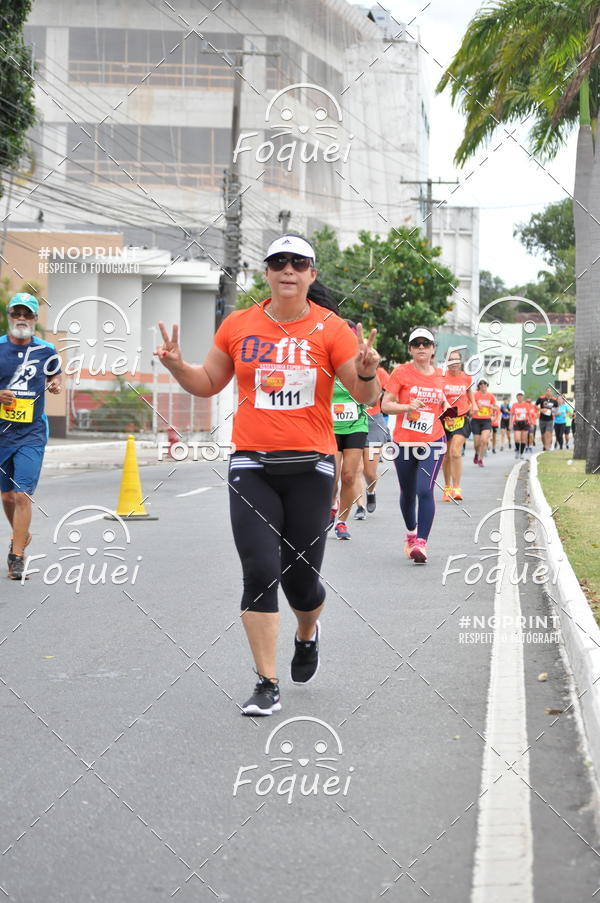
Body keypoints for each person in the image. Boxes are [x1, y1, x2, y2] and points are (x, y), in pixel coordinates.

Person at [155, 234, 381, 716]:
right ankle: (265, 682)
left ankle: (307, 631)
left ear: (312, 274)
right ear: (266, 272)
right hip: (252, 465)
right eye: (278, 261)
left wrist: (365, 371)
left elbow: (364, 398)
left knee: (302, 584)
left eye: (299, 262)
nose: (288, 270)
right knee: (260, 571)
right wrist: (177, 366)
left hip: (312, 468)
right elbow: (208, 382)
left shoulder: (332, 329)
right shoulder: (239, 325)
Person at [0, 293, 62, 580]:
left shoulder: (47, 350)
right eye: (17, 314)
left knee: (22, 494)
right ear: (9, 317)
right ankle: (21, 534)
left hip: (32, 433)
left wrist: (54, 385)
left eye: (27, 314)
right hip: (2, 434)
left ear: (35, 320)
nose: (21, 319)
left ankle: (17, 556)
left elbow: (54, 376)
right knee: (7, 497)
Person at [381, 327, 449, 564]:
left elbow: (448, 409)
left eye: (426, 343)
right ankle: (411, 534)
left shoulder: (442, 376)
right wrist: (407, 407)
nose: (421, 347)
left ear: (433, 349)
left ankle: (421, 542)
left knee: (424, 490)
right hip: (404, 442)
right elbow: (385, 405)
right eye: (416, 343)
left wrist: (448, 408)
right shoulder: (400, 372)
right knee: (408, 493)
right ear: (410, 348)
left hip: (433, 441)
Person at [330, 325, 369, 539]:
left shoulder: (360, 364)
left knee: (348, 476)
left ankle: (342, 522)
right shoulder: (328, 360)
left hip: (356, 425)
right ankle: (331, 506)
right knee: (332, 477)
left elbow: (372, 395)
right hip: (331, 426)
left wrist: (366, 371)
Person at [440, 349, 473, 501]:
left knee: (455, 451)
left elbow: (469, 393)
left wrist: (473, 405)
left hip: (461, 417)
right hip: (445, 418)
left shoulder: (466, 378)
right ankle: (447, 487)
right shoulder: (440, 378)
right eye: (450, 359)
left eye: (456, 359)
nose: (454, 362)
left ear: (460, 361)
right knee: (446, 454)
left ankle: (456, 488)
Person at [361, 365, 390, 514]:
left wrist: (374, 397)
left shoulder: (380, 372)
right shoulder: (345, 369)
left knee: (370, 472)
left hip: (374, 422)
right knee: (353, 471)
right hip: (351, 421)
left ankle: (370, 492)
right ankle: (359, 506)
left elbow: (388, 392)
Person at [471, 379, 497, 466]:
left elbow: (495, 407)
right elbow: (470, 406)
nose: (483, 385)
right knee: (476, 443)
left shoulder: (491, 396)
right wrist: (476, 405)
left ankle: (481, 459)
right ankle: (476, 453)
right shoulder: (475, 395)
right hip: (476, 420)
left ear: (487, 385)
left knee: (484, 440)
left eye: (485, 383)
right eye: (481, 384)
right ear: (478, 386)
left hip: (486, 420)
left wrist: (490, 407)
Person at [510, 391, 530, 459]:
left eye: (521, 395)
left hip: (525, 423)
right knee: (517, 438)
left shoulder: (526, 405)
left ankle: (521, 453)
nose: (520, 397)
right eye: (518, 395)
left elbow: (529, 414)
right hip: (517, 423)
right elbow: (511, 415)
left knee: (524, 439)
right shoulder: (514, 405)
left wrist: (531, 422)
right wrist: (510, 424)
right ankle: (517, 451)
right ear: (516, 397)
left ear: (523, 396)